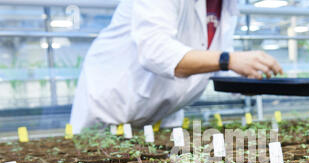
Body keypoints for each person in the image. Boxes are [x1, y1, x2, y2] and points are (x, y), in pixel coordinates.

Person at [70, 0, 283, 134]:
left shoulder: (225, 6)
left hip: (163, 112)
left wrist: (249, 76)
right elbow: (155, 51)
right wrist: (229, 60)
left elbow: (210, 58)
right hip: (112, 108)